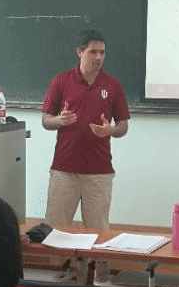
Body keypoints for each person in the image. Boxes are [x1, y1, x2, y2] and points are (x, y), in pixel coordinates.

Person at [41, 28, 130, 232]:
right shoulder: (61, 81)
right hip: (64, 171)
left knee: (99, 233)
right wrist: (59, 120)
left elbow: (123, 126)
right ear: (79, 52)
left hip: (99, 173)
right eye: (93, 52)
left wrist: (110, 130)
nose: (98, 57)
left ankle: (95, 257)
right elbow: (46, 121)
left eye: (102, 52)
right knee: (55, 231)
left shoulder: (113, 85)